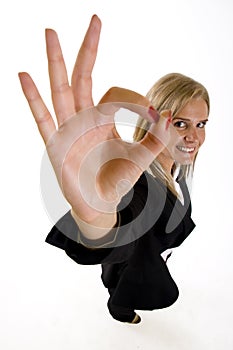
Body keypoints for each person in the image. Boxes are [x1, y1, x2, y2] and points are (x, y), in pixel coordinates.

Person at [19, 15, 210, 324]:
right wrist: (95, 214)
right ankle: (120, 309)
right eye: (180, 124)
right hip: (130, 264)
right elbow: (121, 223)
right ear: (155, 121)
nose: (194, 136)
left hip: (147, 256)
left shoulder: (175, 171)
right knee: (124, 283)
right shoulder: (140, 186)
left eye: (201, 124)